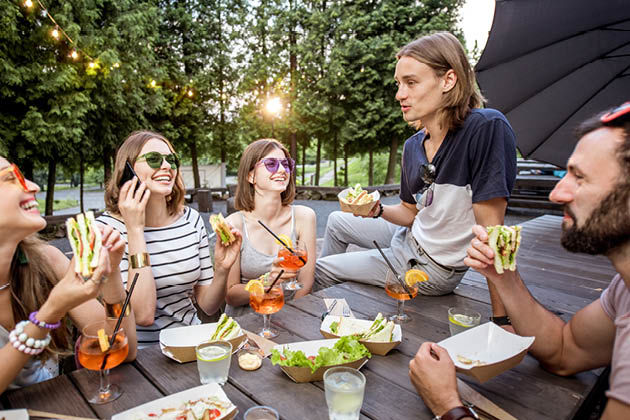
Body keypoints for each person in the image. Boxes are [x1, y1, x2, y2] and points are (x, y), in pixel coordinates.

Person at [410, 102, 630, 419]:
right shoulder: (624, 290)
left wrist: (448, 406)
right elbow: (566, 350)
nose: (557, 193)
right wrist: (503, 276)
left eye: (579, 177)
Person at [315, 32, 517, 301]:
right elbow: (410, 213)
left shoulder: (486, 128)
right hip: (410, 234)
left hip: (431, 267)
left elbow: (492, 235)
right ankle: (329, 304)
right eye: (398, 83)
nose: (400, 94)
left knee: (321, 268)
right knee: (336, 221)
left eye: (411, 82)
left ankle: (321, 301)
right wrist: (378, 210)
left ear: (448, 79)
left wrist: (502, 320)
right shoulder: (413, 146)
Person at [0, 157, 137, 394]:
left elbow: (119, 348)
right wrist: (50, 312)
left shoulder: (47, 260)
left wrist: (112, 274)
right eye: (10, 178)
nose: (33, 186)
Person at [98, 131, 240, 347]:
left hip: (189, 342)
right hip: (136, 354)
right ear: (127, 171)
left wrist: (222, 270)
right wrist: (135, 230)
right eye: (154, 159)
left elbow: (208, 306)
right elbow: (143, 315)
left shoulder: (191, 219)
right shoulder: (106, 230)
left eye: (171, 160)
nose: (166, 166)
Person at [224, 138, 316, 317]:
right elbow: (231, 295)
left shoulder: (304, 217)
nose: (282, 170)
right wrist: (267, 282)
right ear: (250, 176)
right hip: (246, 320)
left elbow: (305, 283)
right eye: (271, 164)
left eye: (286, 164)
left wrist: (290, 322)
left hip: (290, 317)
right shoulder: (233, 224)